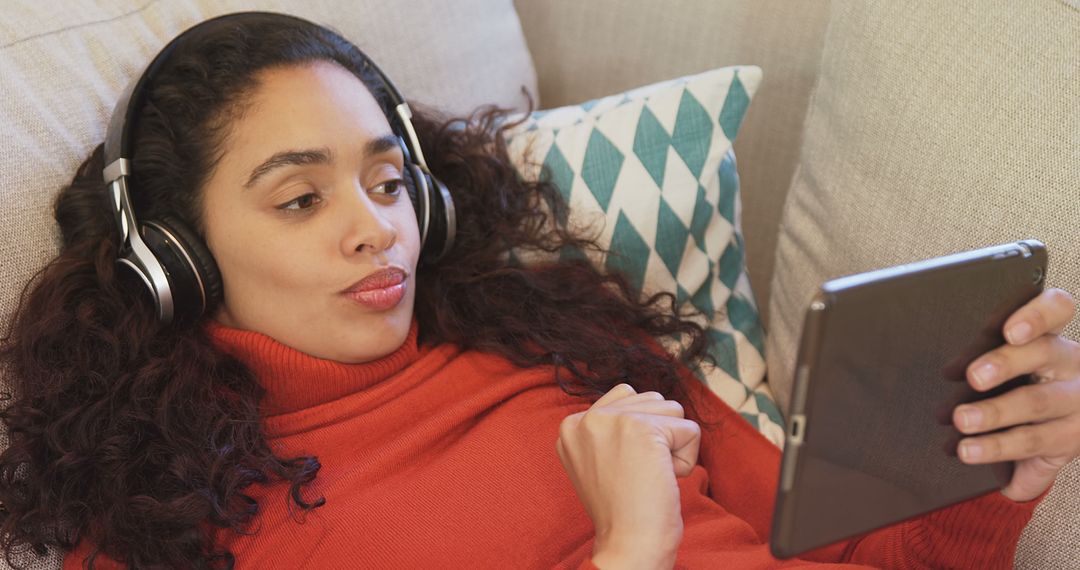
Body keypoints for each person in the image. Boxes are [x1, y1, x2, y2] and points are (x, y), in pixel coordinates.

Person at [0, 12, 1077, 570]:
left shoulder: (562, 338)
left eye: (389, 180)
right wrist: (629, 549)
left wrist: (988, 483)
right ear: (177, 252)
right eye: (297, 200)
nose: (377, 225)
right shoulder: (162, 528)